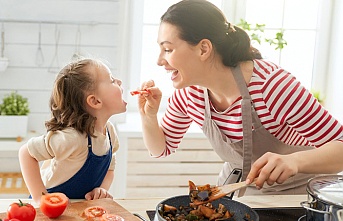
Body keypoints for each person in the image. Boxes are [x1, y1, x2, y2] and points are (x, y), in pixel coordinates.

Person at [136, 0, 343, 195]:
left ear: (203, 49)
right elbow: (162, 148)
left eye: (168, 49)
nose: (159, 60)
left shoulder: (271, 87)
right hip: (239, 194)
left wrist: (295, 161)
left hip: (298, 196)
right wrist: (149, 116)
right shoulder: (189, 95)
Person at [19, 58, 127, 203]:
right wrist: (40, 199)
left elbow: (109, 169)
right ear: (95, 101)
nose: (119, 81)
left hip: (79, 208)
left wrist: (102, 189)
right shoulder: (73, 138)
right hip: (49, 210)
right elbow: (26, 153)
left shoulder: (109, 132)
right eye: (112, 80)